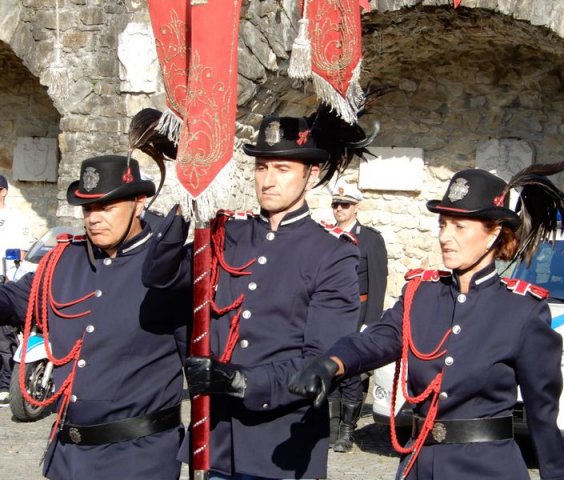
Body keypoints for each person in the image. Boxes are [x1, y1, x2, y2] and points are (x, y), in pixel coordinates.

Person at [289, 164, 564, 480]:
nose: (445, 236)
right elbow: (378, 338)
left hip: (488, 469)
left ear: (494, 232)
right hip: (420, 464)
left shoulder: (522, 312)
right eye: (443, 224)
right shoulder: (422, 295)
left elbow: (542, 416)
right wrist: (332, 363)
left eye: (459, 227)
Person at [142, 108, 378, 479]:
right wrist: (185, 199)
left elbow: (319, 358)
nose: (268, 180)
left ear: (310, 175)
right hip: (217, 442)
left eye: (282, 169)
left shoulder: (332, 253)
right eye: (262, 167)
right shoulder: (226, 233)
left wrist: (240, 381)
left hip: (281, 449)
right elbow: (159, 275)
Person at [0, 155, 190, 480]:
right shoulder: (63, 262)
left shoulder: (169, 272)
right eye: (88, 209)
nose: (94, 218)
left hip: (140, 461)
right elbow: (16, 300)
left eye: (106, 207)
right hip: (68, 458)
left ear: (138, 202)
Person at [328, 181, 388, 452]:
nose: (339, 209)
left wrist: (371, 322)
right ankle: (329, 429)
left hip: (357, 314)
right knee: (329, 370)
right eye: (336, 204)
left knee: (351, 372)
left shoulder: (370, 239)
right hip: (328, 314)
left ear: (356, 208)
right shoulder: (326, 235)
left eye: (345, 205)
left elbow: (378, 282)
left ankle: (346, 432)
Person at [0, 174, 32, 407]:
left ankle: (3, 386)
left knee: (3, 338)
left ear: (3, 192)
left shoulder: (16, 219)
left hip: (5, 280)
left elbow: (22, 251)